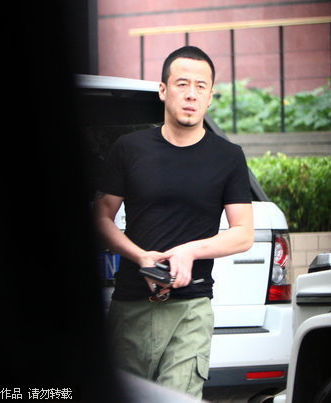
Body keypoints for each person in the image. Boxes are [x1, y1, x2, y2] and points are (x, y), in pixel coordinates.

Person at [95, 45, 254, 398]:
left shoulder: (228, 156)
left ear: (210, 96)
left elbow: (244, 233)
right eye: (182, 84)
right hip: (131, 305)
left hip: (191, 308)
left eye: (201, 86)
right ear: (163, 90)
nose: (191, 94)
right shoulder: (129, 148)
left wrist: (188, 252)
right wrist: (141, 257)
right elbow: (101, 218)